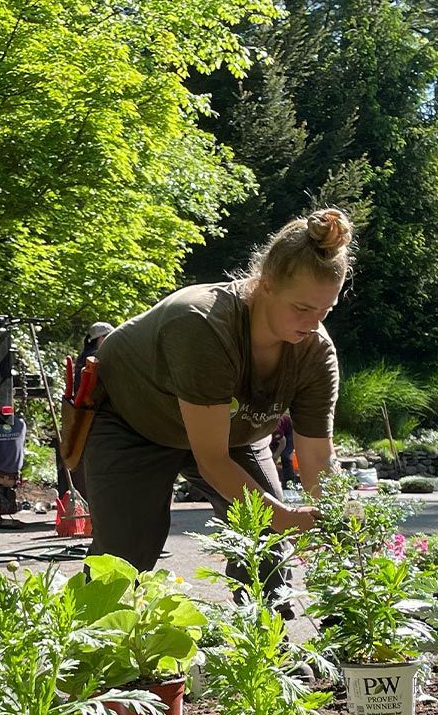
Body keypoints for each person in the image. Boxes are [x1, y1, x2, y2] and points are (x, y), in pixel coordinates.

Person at [77, 208, 351, 571]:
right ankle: (92, 625)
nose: (314, 323)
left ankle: (264, 624)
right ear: (266, 283)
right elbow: (212, 462)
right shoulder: (203, 326)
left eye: (325, 310)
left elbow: (317, 458)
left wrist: (337, 525)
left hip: (230, 431)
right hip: (133, 422)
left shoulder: (315, 352)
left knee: (266, 549)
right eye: (301, 307)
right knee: (125, 555)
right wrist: (284, 517)